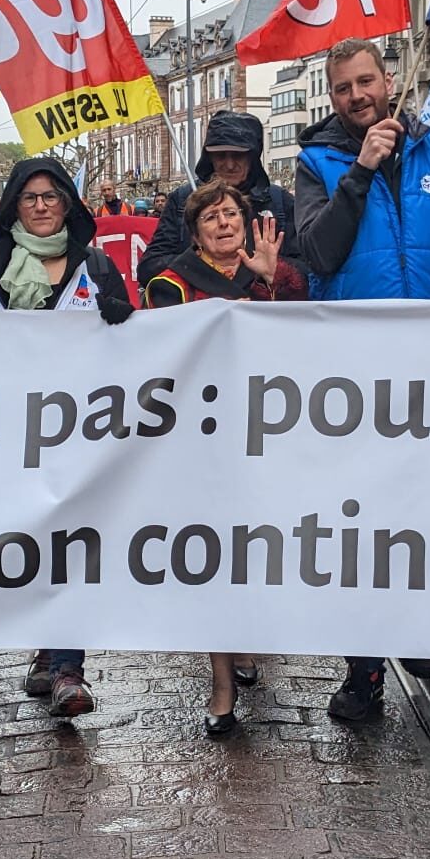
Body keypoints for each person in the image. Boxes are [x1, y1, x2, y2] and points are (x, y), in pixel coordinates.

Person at [294, 36, 430, 724]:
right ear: (333, 97)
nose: (357, 96)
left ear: (388, 81)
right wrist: (360, 170)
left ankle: (418, 626)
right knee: (362, 526)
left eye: (365, 82)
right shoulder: (316, 163)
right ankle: (364, 670)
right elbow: (317, 251)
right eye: (343, 88)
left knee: (427, 514)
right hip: (355, 379)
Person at [0, 157, 133, 720]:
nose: (38, 206)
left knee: (69, 544)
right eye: (28, 197)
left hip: (81, 434)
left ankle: (67, 667)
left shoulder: (97, 266)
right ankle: (45, 643)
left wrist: (122, 317)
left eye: (50, 196)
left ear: (67, 204)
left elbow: (132, 343)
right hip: (6, 433)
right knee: (23, 541)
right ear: (14, 204)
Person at [145, 181, 305, 734]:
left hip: (262, 434)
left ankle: (245, 641)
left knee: (255, 549)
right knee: (214, 557)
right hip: (201, 443)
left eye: (232, 213)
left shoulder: (271, 275)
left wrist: (266, 280)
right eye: (211, 216)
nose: (224, 223)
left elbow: (303, 345)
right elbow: (171, 354)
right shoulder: (170, 284)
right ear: (195, 231)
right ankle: (220, 683)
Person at [139, 110, 297, 286]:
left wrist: (270, 267)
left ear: (252, 157)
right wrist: (204, 263)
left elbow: (309, 271)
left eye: (237, 155)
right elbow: (149, 267)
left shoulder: (279, 202)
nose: (229, 164)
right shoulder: (182, 200)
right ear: (209, 157)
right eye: (221, 155)